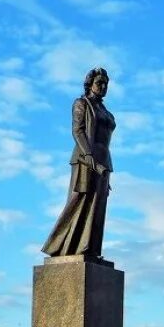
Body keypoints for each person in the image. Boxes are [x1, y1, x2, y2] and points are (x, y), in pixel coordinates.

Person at [42, 67, 116, 258]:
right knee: (79, 201)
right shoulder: (82, 103)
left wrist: (103, 165)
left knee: (97, 207)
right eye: (99, 83)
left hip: (104, 161)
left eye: (106, 84)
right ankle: (59, 246)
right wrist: (89, 156)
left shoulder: (105, 111)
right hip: (85, 158)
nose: (103, 87)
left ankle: (90, 249)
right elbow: (78, 131)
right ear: (89, 84)